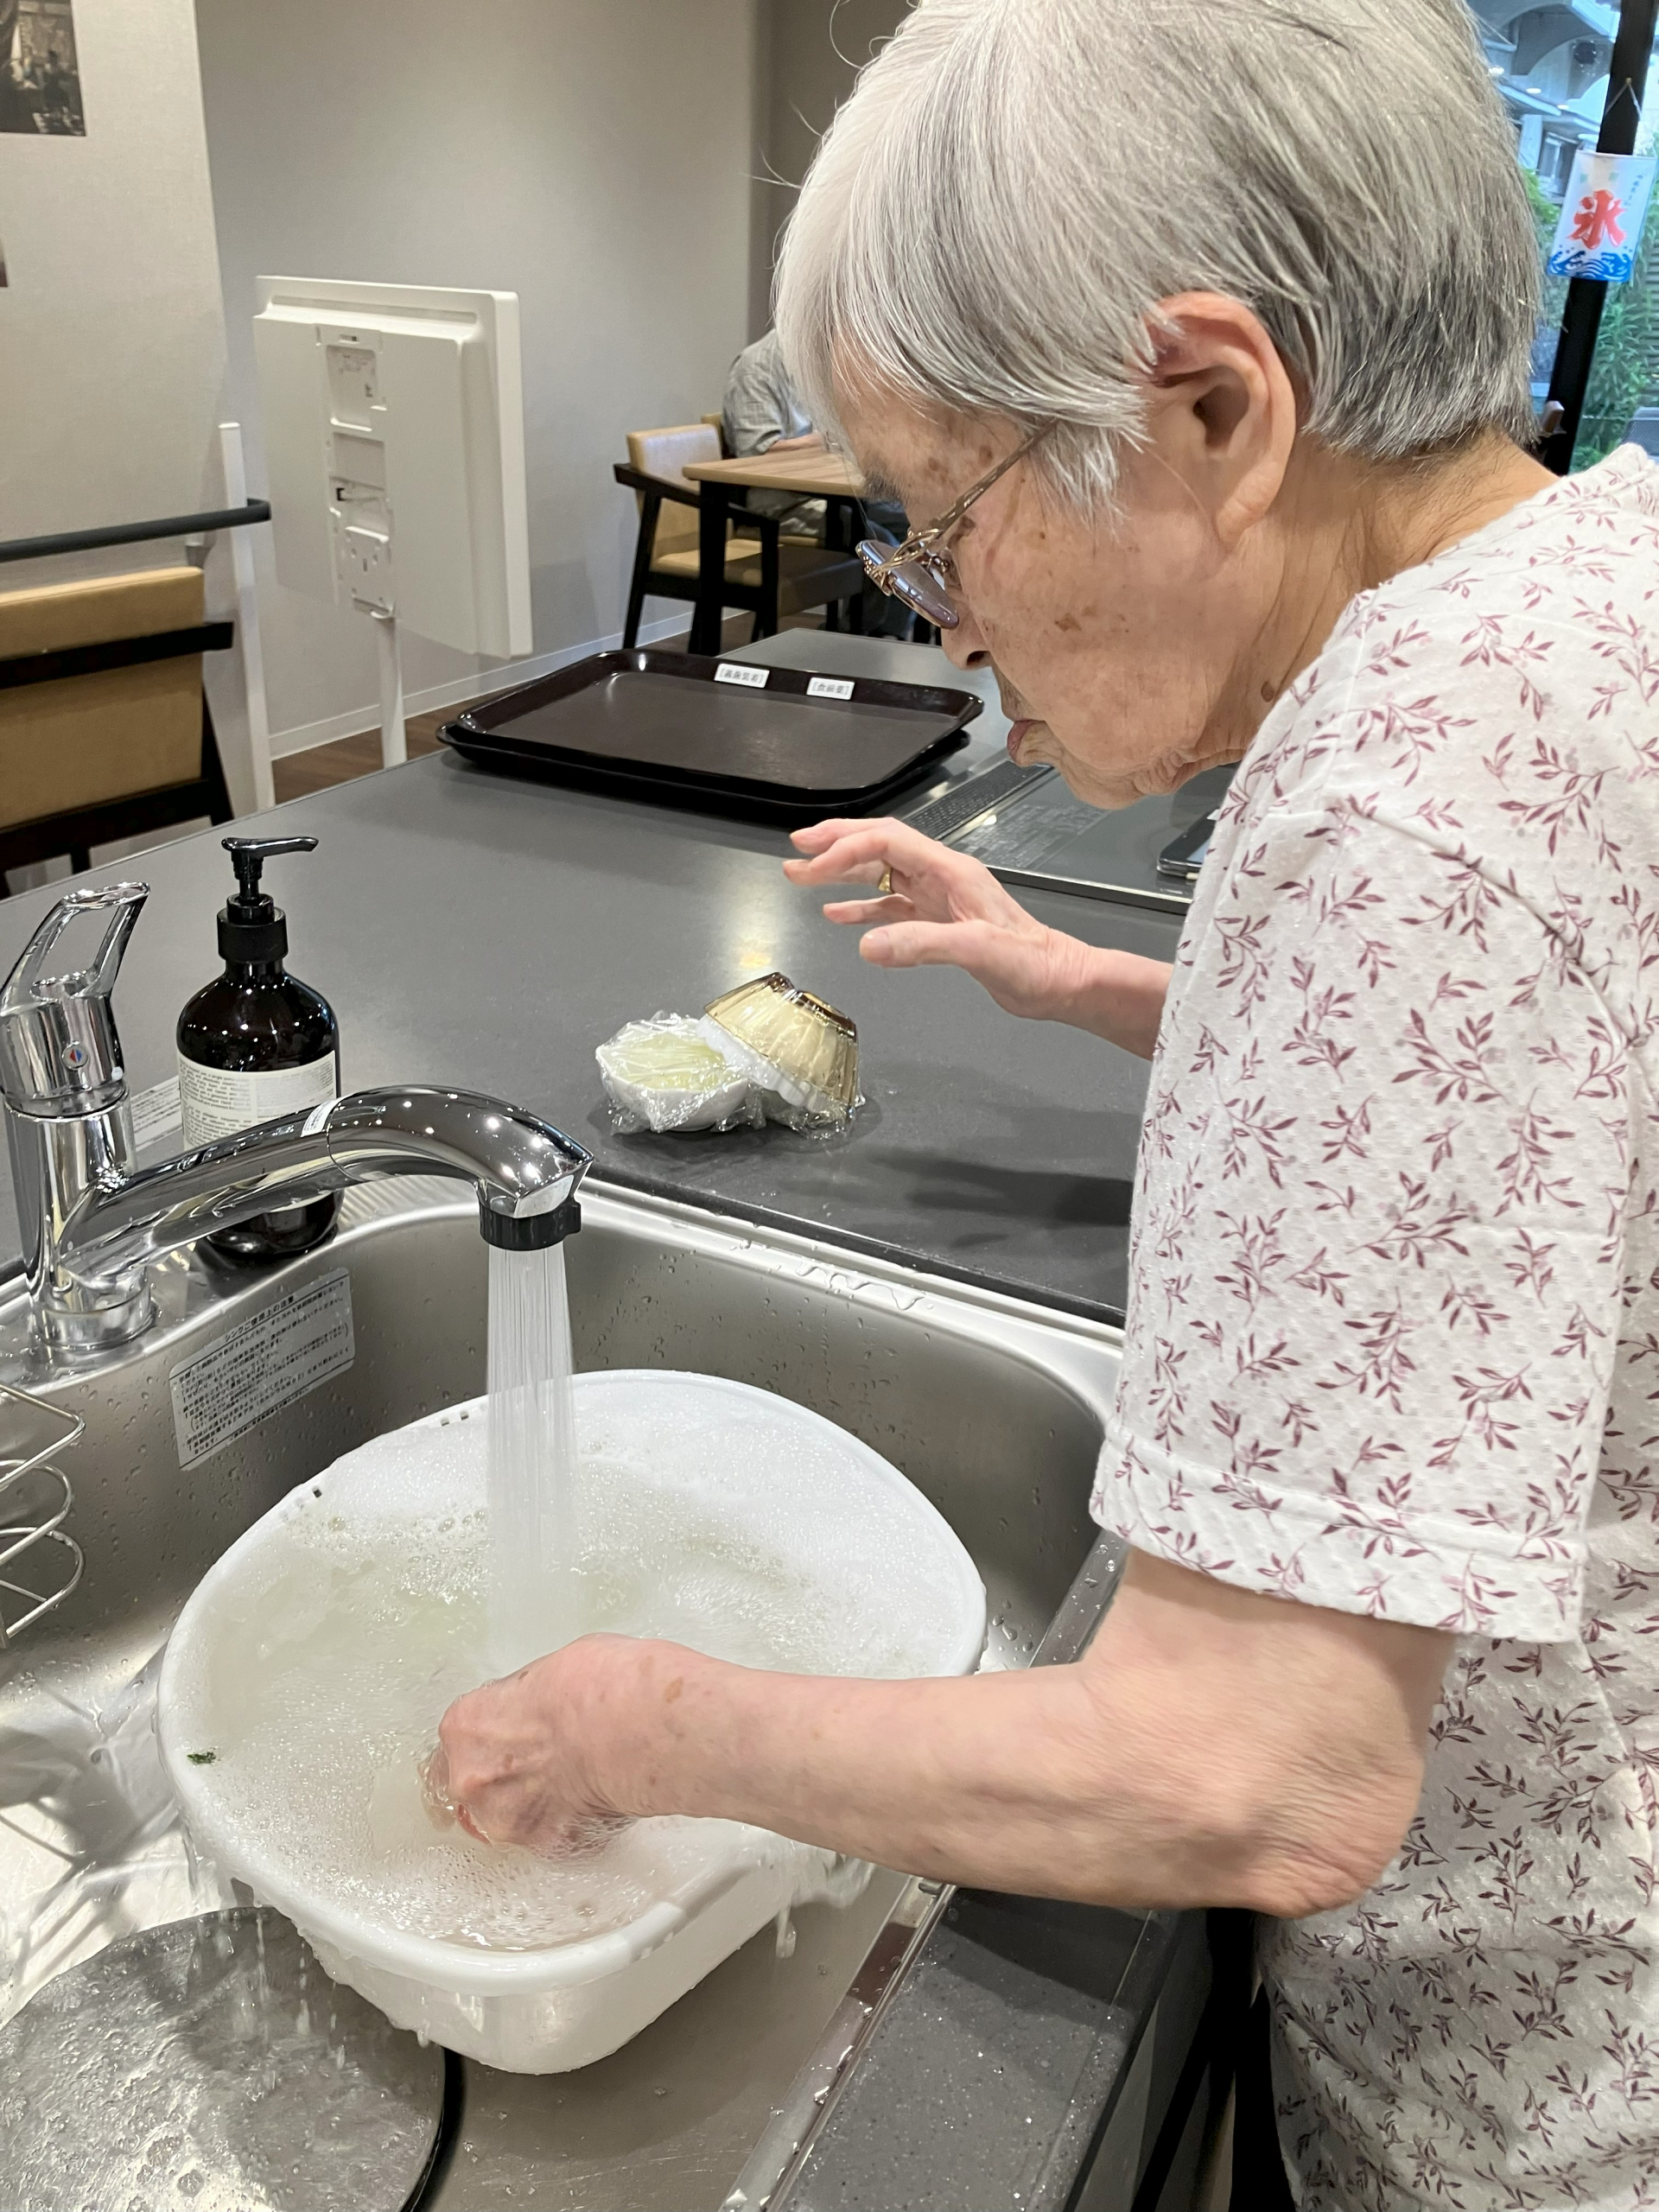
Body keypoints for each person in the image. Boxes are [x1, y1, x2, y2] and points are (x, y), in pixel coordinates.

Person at [435, 3, 1659, 2202]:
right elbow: (1534, 1118)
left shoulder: (1396, 805)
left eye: (942, 526)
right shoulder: (1575, 598)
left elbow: (1258, 1764)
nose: (950, 628)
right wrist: (1108, 981)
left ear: (1213, 409)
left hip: (1558, 2081)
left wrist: (646, 1721)